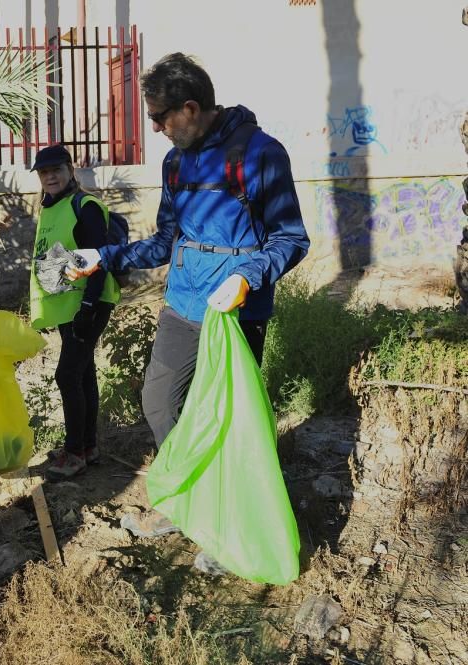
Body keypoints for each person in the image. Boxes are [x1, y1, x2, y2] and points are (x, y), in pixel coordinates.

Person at [69, 53, 310, 542]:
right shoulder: (175, 162)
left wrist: (246, 277)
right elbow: (165, 241)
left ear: (191, 108)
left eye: (160, 117)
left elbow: (291, 238)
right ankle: (186, 500)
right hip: (182, 303)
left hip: (236, 312)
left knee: (226, 418)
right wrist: (106, 257)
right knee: (159, 403)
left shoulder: (260, 154)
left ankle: (230, 518)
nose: (156, 128)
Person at [29, 144, 120, 480]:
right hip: (68, 305)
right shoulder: (52, 207)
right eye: (43, 172)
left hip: (88, 304)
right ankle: (88, 446)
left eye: (56, 170)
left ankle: (75, 453)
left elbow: (99, 260)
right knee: (82, 373)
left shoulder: (87, 207)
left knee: (66, 375)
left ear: (71, 170)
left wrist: (87, 306)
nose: (49, 176)